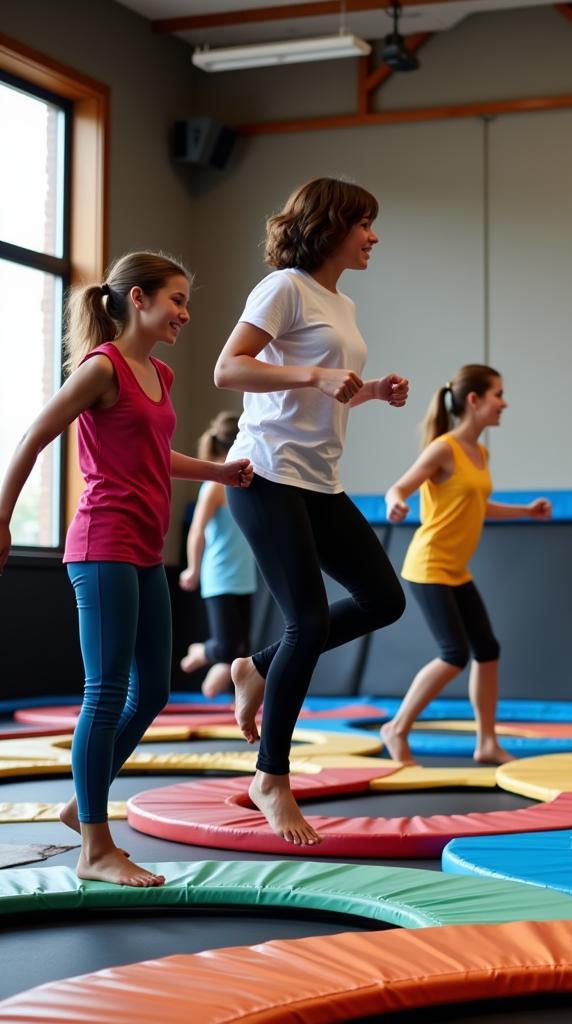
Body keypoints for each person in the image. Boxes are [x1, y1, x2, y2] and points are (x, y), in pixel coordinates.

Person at [0, 252, 253, 887]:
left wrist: (218, 471)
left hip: (143, 549)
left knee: (155, 692)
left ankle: (79, 803)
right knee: (107, 691)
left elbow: (156, 454)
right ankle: (95, 845)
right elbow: (34, 435)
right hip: (102, 542)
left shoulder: (159, 374)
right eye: (176, 300)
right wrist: (3, 519)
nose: (185, 314)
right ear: (137, 298)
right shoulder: (101, 367)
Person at [213, 177, 409, 846]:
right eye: (365, 225)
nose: (373, 237)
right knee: (309, 617)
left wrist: (371, 391)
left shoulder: (342, 302)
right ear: (331, 225)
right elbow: (228, 370)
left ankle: (256, 666)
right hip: (263, 472)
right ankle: (271, 775)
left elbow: (323, 391)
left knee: (384, 599)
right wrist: (314, 376)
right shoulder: (284, 288)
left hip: (318, 479)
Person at [380, 365, 551, 766]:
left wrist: (525, 511)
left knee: (487, 650)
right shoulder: (444, 448)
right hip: (428, 566)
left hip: (456, 569)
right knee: (454, 654)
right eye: (498, 394)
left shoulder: (481, 452)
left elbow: (477, 505)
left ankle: (487, 742)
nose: (504, 403)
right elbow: (400, 486)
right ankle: (397, 728)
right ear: (473, 400)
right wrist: (394, 502)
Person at [179, 412, 258, 699]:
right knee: (225, 646)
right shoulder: (214, 487)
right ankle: (200, 651)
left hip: (244, 576)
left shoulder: (248, 483)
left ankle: (216, 690)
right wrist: (192, 569)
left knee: (242, 649)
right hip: (220, 575)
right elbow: (196, 531)